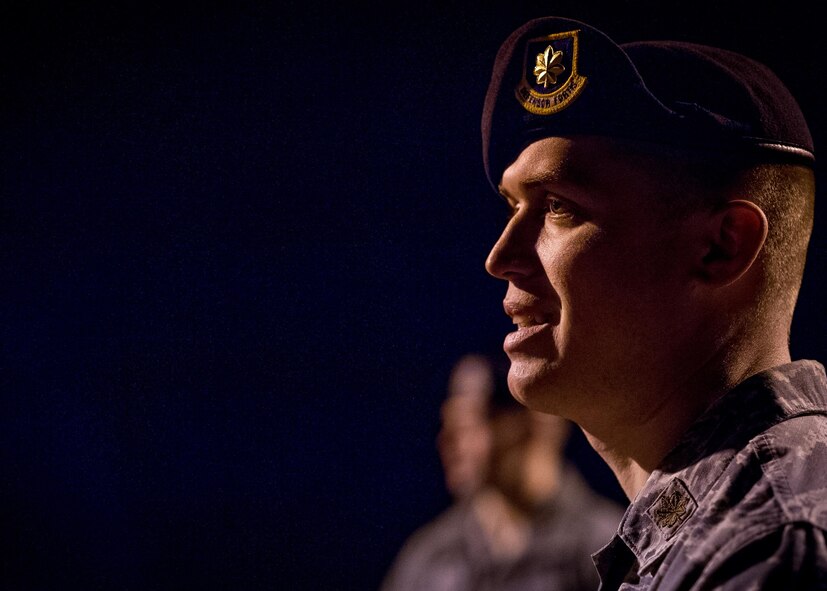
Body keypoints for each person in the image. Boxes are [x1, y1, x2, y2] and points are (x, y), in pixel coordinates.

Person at [480, 15, 826, 590]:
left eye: (560, 207)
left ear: (721, 246)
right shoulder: (720, 526)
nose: (500, 257)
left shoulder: (769, 544)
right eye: (513, 207)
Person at [381, 353, 625, 591]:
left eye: (472, 421)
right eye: (450, 424)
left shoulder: (603, 549)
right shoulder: (431, 557)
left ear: (538, 420)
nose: (449, 441)